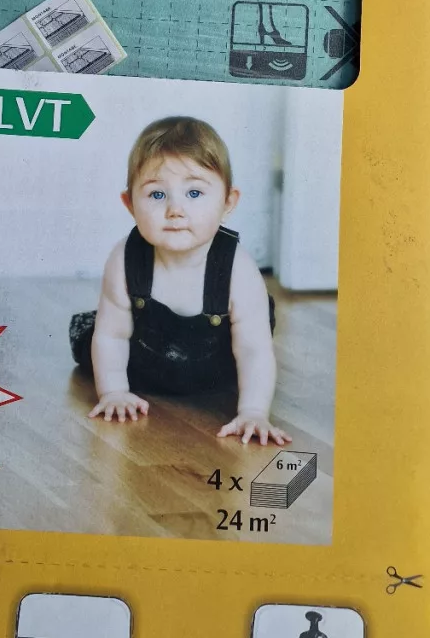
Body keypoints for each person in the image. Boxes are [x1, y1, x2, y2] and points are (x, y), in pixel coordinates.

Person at [70, 116, 290, 446]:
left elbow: (253, 350)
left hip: (217, 369)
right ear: (130, 204)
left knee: (252, 356)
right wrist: (114, 391)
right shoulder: (124, 260)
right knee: (93, 341)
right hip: (144, 362)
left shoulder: (238, 269)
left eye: (194, 192)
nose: (175, 209)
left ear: (227, 203)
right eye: (157, 194)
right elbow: (112, 336)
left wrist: (254, 411)